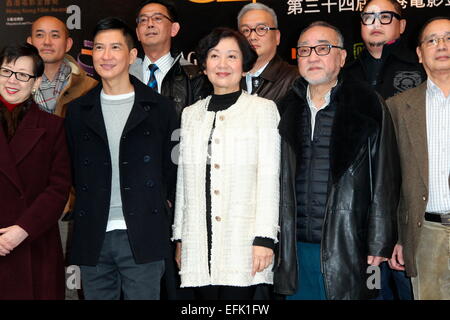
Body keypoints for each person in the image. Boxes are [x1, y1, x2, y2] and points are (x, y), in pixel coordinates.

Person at [275, 21, 400, 300]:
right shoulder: (284, 108)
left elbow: (384, 177)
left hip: (351, 246)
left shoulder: (367, 104)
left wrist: (378, 243)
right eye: (305, 50)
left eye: (323, 48)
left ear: (342, 57)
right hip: (295, 247)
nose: (313, 56)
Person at [65, 17, 178, 300]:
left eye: (115, 47)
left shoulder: (160, 108)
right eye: (99, 48)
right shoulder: (78, 111)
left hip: (143, 234)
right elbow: (73, 171)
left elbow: (172, 171)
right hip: (94, 235)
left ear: (131, 55)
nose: (106, 56)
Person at [172, 27, 281, 300]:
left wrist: (265, 238)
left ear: (244, 66)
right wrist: (180, 237)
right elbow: (183, 183)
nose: (222, 64)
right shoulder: (190, 114)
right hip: (198, 241)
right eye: (214, 56)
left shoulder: (262, 110)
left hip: (244, 241)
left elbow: (269, 177)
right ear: (204, 65)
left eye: (232, 56)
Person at [27, 15, 97, 300]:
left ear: (68, 42)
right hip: (27, 205)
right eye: (39, 35)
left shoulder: (91, 88)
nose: (47, 41)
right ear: (29, 42)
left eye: (54, 35)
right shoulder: (13, 86)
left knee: (75, 287)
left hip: (74, 203)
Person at [0, 43, 71, 299]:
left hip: (34, 243)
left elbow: (58, 188)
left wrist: (23, 228)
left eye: (23, 75)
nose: (12, 80)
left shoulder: (54, 128)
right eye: (6, 71)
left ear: (37, 82)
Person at [387, 17, 450, 300]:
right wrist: (401, 237)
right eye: (432, 40)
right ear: (419, 53)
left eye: (449, 38)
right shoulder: (399, 107)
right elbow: (392, 179)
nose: (442, 45)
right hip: (426, 235)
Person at [130, 0, 210, 116]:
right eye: (143, 20)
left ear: (174, 29)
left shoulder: (194, 76)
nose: (150, 24)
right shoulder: (124, 73)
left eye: (157, 18)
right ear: (137, 33)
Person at [345, 0, 425, 100]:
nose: (376, 24)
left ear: (401, 26)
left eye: (385, 17)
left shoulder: (423, 66)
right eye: (368, 17)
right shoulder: (345, 72)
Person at [237, 2, 298, 104]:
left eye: (261, 29)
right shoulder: (229, 76)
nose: (252, 37)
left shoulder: (295, 78)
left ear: (277, 37)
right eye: (246, 30)